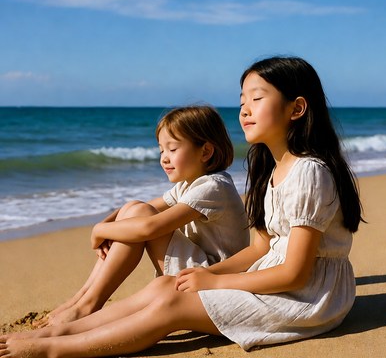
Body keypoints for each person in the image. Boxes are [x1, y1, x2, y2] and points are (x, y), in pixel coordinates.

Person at [0, 56, 364, 357]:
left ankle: (53, 350)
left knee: (171, 308)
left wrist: (215, 281)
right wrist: (208, 277)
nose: (245, 110)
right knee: (167, 288)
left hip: (309, 298)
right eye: (241, 101)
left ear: (297, 108)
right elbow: (260, 248)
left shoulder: (309, 173)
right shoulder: (267, 169)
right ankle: (63, 331)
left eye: (257, 98)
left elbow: (295, 275)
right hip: (277, 278)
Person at [33, 105, 249, 327]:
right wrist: (105, 223)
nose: (164, 158)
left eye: (172, 149)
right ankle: (81, 300)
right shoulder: (189, 185)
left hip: (211, 279)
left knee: (139, 215)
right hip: (197, 269)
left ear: (205, 151)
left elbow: (150, 228)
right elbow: (139, 207)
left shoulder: (214, 186)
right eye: (161, 151)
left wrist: (99, 230)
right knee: (134, 208)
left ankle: (88, 305)